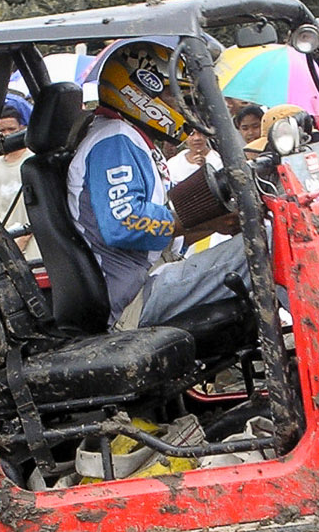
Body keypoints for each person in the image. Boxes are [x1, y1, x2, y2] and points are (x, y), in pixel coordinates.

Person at [67, 38, 248, 328]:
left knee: (258, 236)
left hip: (148, 277)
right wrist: (193, 219)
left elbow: (157, 236)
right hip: (133, 299)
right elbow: (124, 224)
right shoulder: (114, 141)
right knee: (267, 244)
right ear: (142, 92)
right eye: (174, 95)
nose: (181, 106)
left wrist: (214, 224)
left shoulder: (128, 138)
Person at [0, 106, 36, 260]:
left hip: (37, 247)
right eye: (2, 131)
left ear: (22, 128)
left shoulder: (32, 161)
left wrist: (23, 240)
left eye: (11, 129)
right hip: (9, 249)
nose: (7, 134)